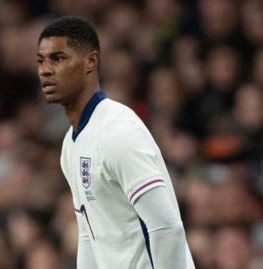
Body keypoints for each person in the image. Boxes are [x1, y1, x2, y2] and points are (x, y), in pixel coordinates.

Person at [37, 16, 195, 269]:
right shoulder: (70, 145)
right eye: (41, 60)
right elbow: (90, 235)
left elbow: (167, 228)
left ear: (91, 61)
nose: (45, 69)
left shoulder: (118, 131)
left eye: (58, 58)